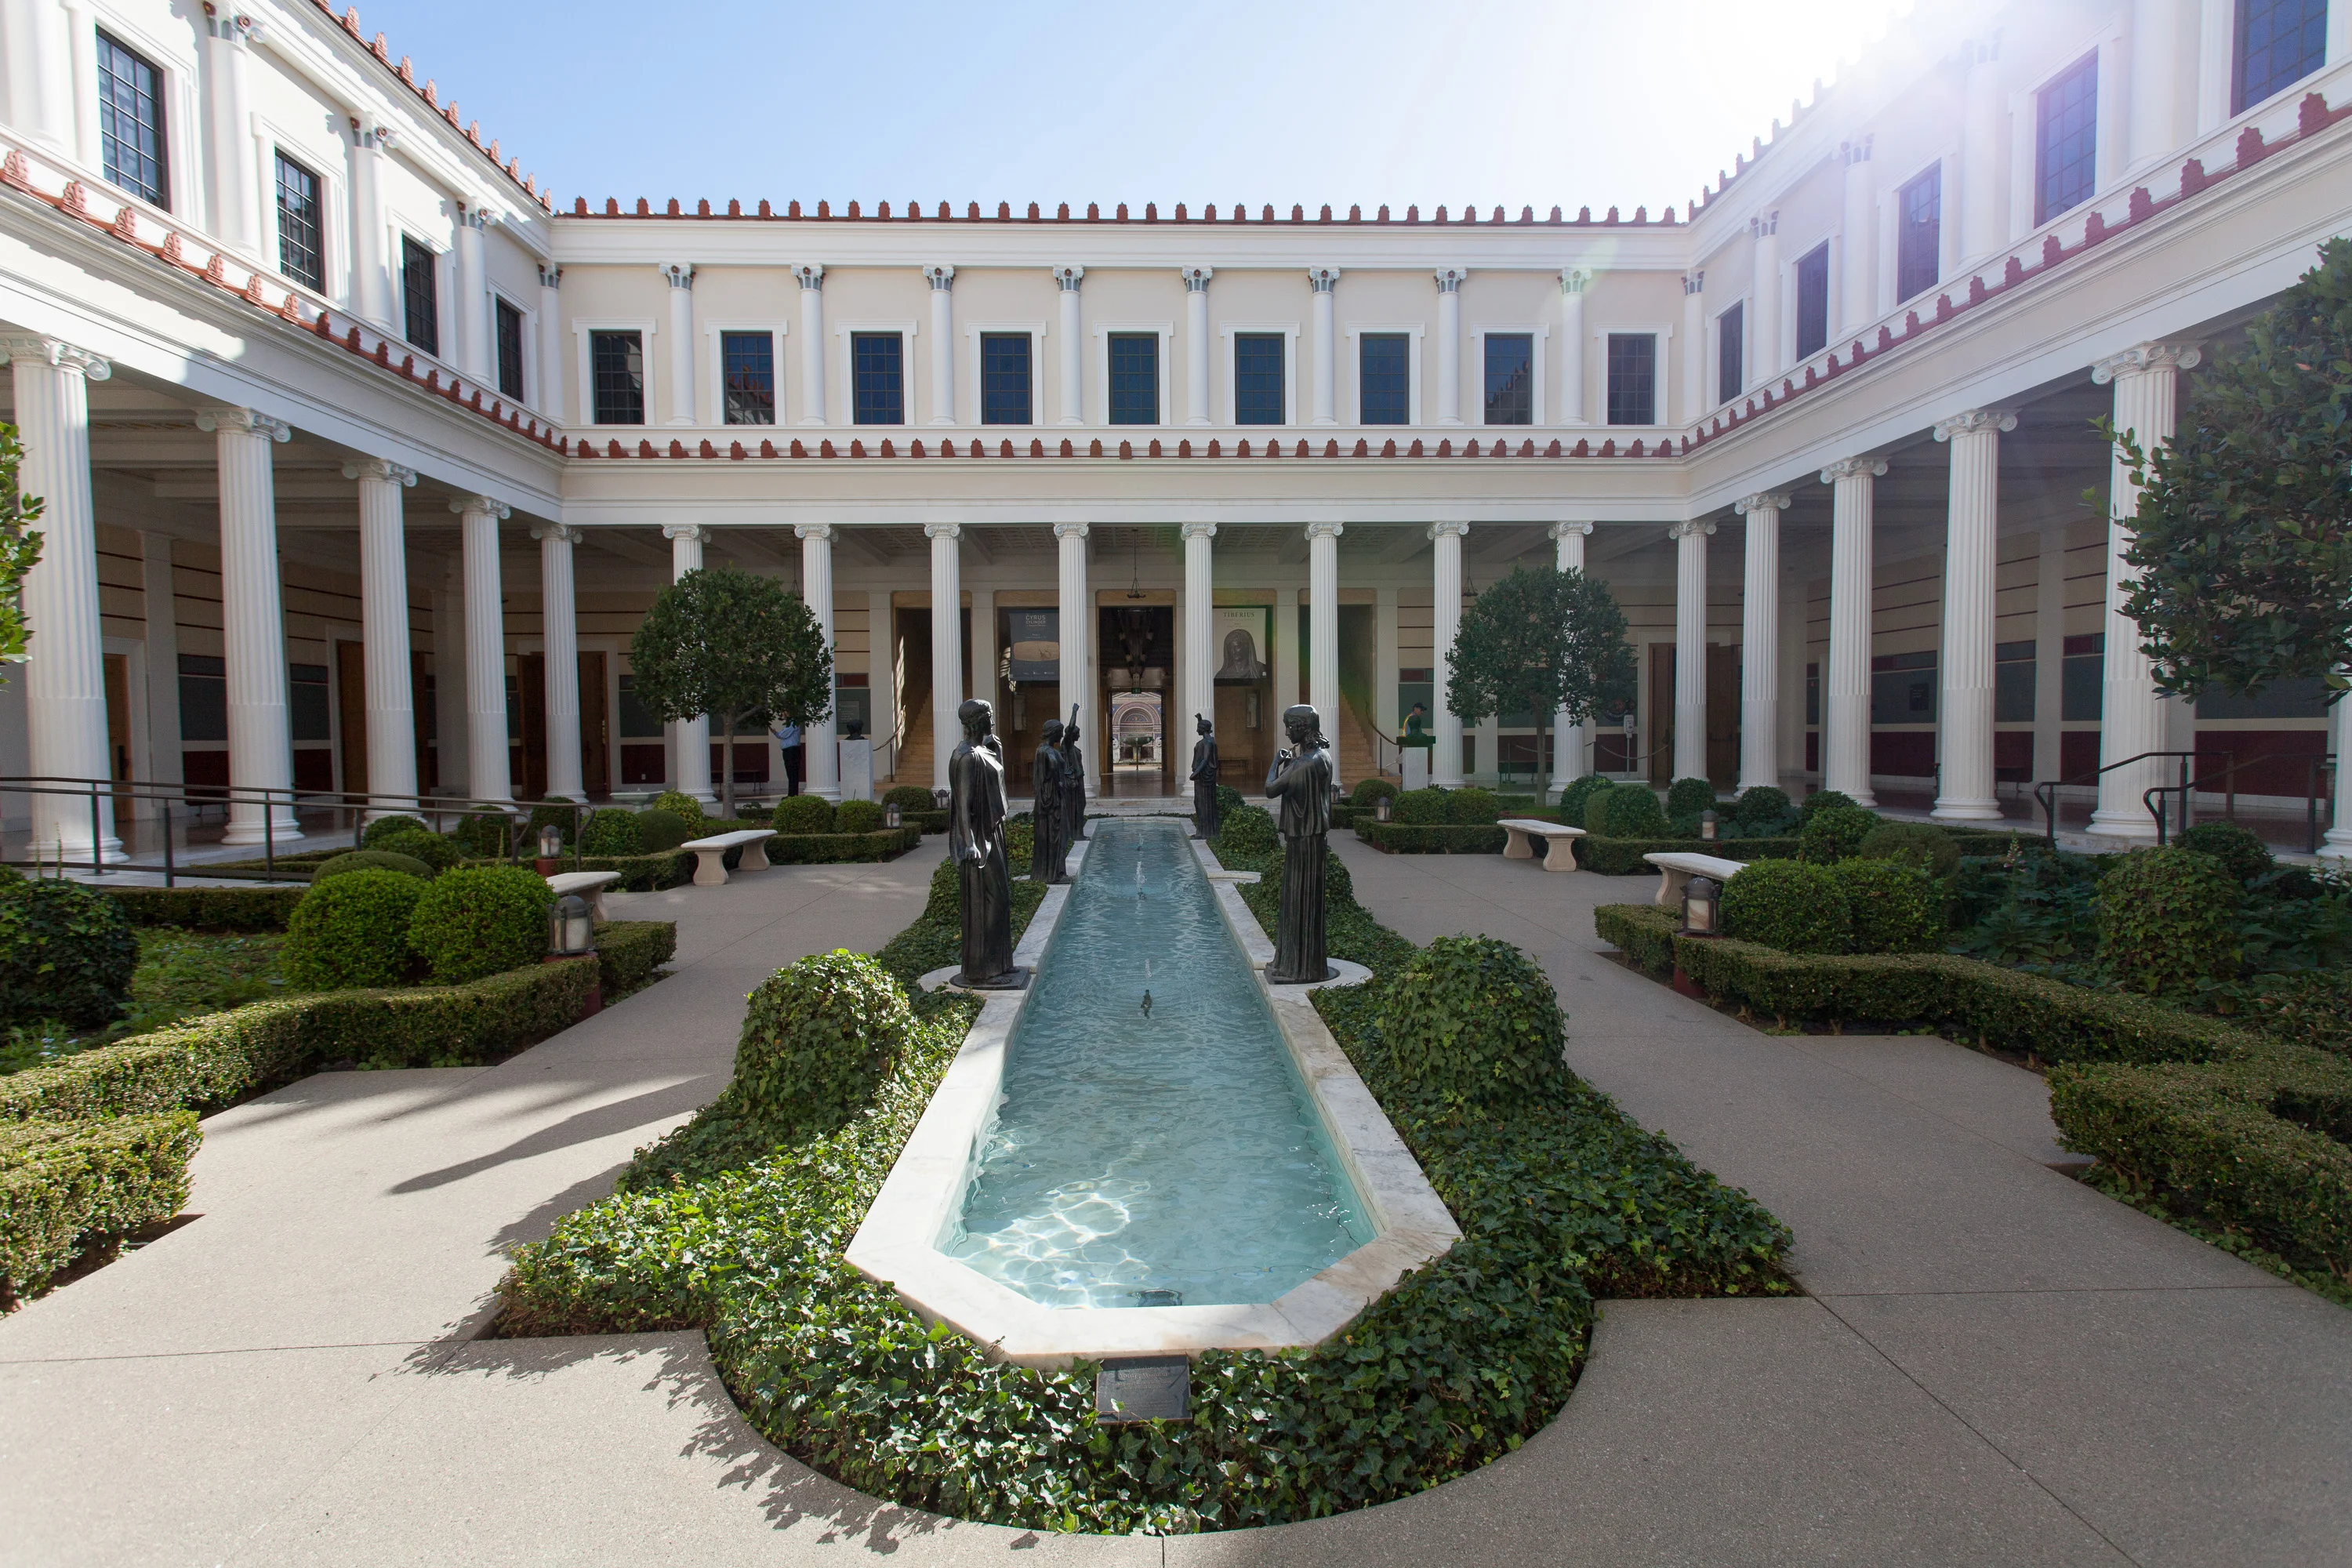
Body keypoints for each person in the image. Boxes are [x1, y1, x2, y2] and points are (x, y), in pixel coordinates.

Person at [948, 699, 1019, 987]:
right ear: (976, 721)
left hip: (992, 832)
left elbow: (996, 778)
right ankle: (984, 970)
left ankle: (1001, 963)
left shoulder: (983, 750)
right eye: (989, 716)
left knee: (1001, 899)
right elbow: (962, 805)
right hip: (978, 837)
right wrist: (969, 843)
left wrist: (997, 749)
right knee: (993, 900)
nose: (993, 720)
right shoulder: (965, 757)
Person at [1264, 703, 1335, 984]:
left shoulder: (1303, 764)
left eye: (1289, 727)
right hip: (1313, 841)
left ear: (1301, 728)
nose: (1286, 731)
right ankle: (1303, 965)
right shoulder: (1323, 757)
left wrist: (1275, 763)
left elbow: (1270, 789)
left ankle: (1297, 968)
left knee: (1298, 901)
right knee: (1306, 903)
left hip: (1302, 844)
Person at [1031, 718, 1068, 883]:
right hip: (1052, 802)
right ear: (1053, 732)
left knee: (1058, 838)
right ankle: (1052, 874)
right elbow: (1042, 780)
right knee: (1053, 838)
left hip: (1056, 800)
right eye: (1059, 732)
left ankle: (1056, 873)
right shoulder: (1045, 752)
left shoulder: (1049, 750)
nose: (1061, 736)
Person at [1189, 713, 1220, 840]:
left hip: (1204, 777)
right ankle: (1203, 831)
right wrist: (1200, 720)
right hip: (1202, 777)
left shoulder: (1207, 742)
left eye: (1198, 728)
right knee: (1199, 802)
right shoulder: (1208, 740)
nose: (1197, 730)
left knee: (1203, 803)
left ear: (1203, 729)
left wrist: (1195, 773)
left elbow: (1206, 759)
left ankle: (1205, 833)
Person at [1059, 711, 1087, 844]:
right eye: (1077, 733)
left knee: (1081, 806)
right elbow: (1069, 730)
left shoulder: (1074, 749)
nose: (1079, 735)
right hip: (1072, 782)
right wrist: (1074, 713)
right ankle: (1074, 834)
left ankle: (1078, 832)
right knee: (1074, 807)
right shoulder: (1067, 746)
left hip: (1079, 780)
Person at [773, 719, 804, 797]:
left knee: (793, 773)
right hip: (788, 751)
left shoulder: (794, 723)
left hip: (792, 751)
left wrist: (777, 733)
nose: (783, 714)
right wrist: (776, 733)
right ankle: (791, 794)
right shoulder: (789, 723)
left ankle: (793, 795)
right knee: (790, 773)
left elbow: (783, 734)